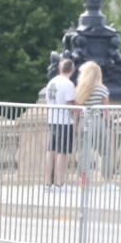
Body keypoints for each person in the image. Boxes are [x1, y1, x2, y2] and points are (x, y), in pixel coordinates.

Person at [44, 58, 78, 191]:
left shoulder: (51, 82)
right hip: (64, 121)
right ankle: (60, 183)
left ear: (59, 68)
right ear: (72, 70)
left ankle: (48, 183)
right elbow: (70, 105)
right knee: (62, 153)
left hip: (52, 119)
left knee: (51, 151)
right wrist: (76, 118)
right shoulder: (68, 84)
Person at [75, 61, 112, 182]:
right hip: (97, 121)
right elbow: (106, 112)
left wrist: (76, 125)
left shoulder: (80, 89)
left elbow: (77, 111)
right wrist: (107, 125)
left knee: (83, 152)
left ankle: (84, 179)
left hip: (84, 121)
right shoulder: (102, 89)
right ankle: (107, 181)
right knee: (106, 151)